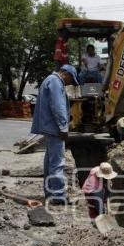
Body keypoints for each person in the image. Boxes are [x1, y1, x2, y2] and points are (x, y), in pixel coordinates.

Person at [31, 64, 79, 204]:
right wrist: (63, 127)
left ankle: (50, 192)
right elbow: (58, 107)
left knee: (50, 161)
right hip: (55, 129)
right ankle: (58, 195)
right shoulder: (55, 82)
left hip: (50, 127)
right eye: (71, 79)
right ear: (66, 73)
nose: (70, 83)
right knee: (57, 162)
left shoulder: (50, 80)